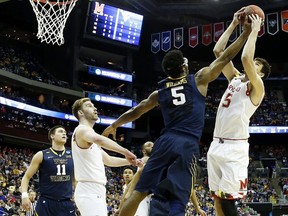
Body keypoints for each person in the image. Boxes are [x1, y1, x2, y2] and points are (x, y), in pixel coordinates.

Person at [102, 8, 251, 216]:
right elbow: (224, 57)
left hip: (164, 141)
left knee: (138, 193)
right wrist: (244, 34)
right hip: (187, 143)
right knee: (179, 199)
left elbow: (137, 111)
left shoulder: (159, 91)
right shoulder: (198, 79)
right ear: (184, 65)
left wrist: (114, 124)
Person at [207, 13, 271, 216]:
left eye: (256, 65)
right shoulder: (234, 79)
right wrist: (234, 24)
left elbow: (245, 58)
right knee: (217, 199)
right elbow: (218, 51)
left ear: (259, 74)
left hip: (235, 149)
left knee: (228, 204)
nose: (252, 64)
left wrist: (254, 31)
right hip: (216, 144)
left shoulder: (258, 89)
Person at [71, 97, 142, 216]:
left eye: (93, 105)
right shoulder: (82, 130)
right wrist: (125, 151)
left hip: (95, 190)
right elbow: (99, 139)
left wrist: (130, 162)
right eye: (89, 106)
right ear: (80, 113)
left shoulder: (90, 137)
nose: (94, 108)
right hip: (89, 189)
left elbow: (108, 160)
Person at [21, 125, 75, 216]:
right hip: (46, 203)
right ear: (52, 136)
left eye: (65, 133)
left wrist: (78, 195)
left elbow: (75, 180)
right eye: (61, 131)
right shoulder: (41, 155)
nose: (64, 134)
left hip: (66, 203)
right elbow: (26, 177)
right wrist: (24, 196)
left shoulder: (73, 155)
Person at [116, 141, 154, 216]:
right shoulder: (146, 160)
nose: (151, 147)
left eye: (153, 146)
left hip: (148, 198)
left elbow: (128, 187)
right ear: (143, 151)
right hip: (141, 197)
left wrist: (121, 207)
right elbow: (129, 188)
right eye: (149, 145)